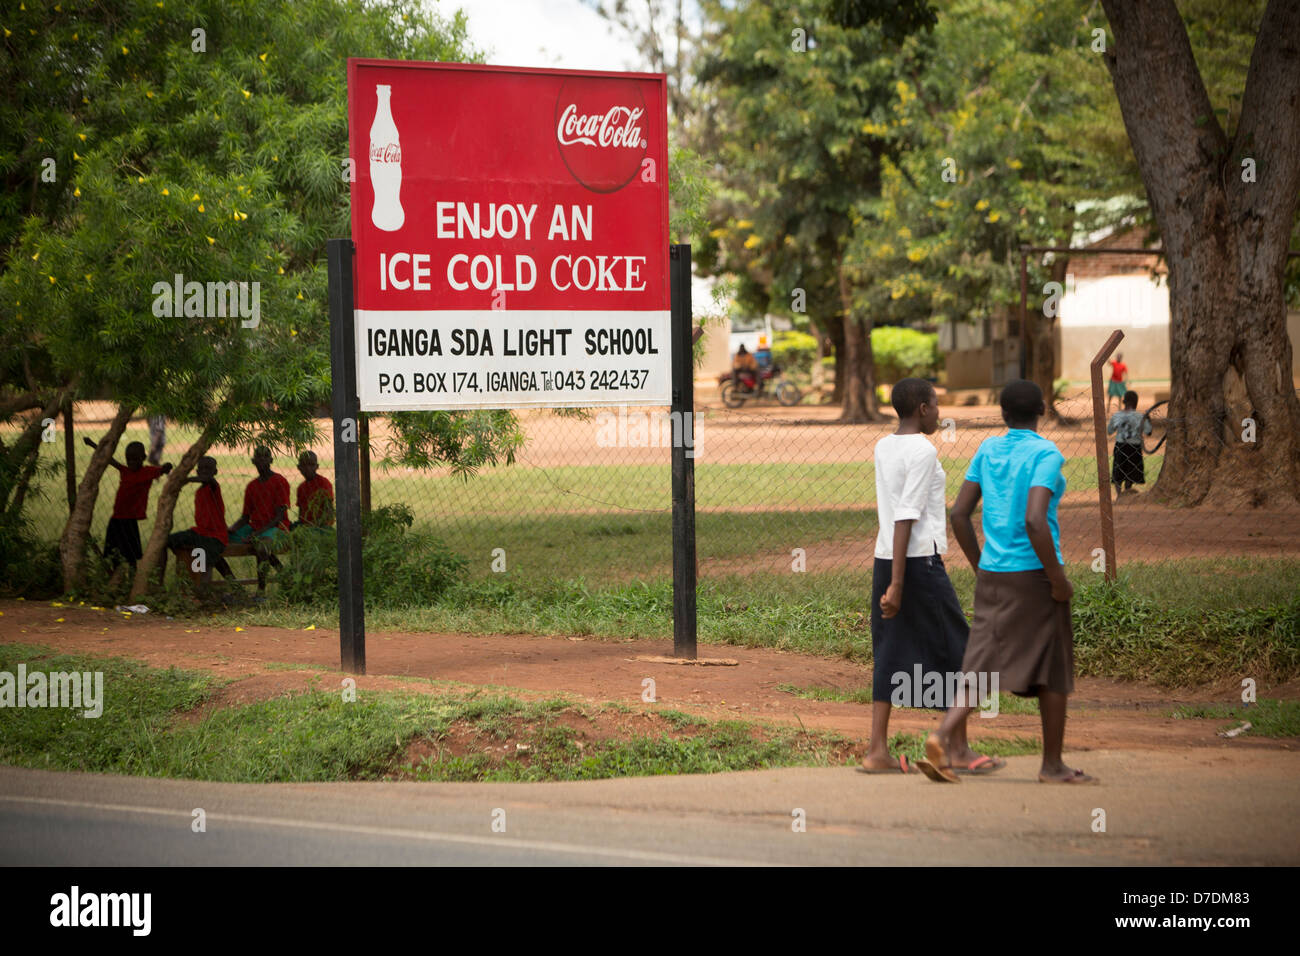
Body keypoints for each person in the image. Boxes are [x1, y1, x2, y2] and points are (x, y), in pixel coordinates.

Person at [920, 379, 1094, 784]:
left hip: (994, 573)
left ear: (1002, 414)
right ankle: (1052, 765)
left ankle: (942, 735)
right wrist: (1057, 580)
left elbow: (960, 514)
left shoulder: (988, 449)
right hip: (1033, 575)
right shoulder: (1046, 454)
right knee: (1052, 668)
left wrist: (982, 568)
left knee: (979, 664)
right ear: (1042, 411)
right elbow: (1035, 520)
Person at [861, 378, 1002, 776]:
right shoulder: (922, 449)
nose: (940, 413)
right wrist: (900, 585)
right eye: (937, 405)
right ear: (922, 408)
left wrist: (890, 578)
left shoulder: (883, 445)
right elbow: (907, 513)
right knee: (962, 647)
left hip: (885, 558)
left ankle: (877, 751)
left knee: (888, 650)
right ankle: (956, 747)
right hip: (917, 564)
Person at [83, 437, 172, 575]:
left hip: (130, 520)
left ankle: (131, 579)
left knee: (130, 555)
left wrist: (167, 467)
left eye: (135, 459)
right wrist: (93, 444)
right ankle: (115, 578)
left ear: (143, 457)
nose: (131, 463)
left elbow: (162, 469)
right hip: (117, 519)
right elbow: (108, 458)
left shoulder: (147, 472)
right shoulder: (124, 471)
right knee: (114, 552)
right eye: (128, 459)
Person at [165, 456, 234, 584]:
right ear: (197, 471)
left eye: (208, 469)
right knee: (166, 540)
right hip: (200, 532)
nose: (204, 472)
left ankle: (203, 589)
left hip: (215, 536)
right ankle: (159, 582)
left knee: (205, 557)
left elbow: (208, 479)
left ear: (215, 472)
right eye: (201, 469)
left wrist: (187, 479)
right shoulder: (199, 492)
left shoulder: (214, 487)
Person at [228, 447, 291, 570]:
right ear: (253, 461)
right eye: (259, 457)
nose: (262, 460)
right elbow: (245, 518)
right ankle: (233, 583)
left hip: (276, 528)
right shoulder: (252, 486)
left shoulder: (279, 481)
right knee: (219, 539)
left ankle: (261, 587)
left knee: (262, 546)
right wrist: (231, 529)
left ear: (271, 460)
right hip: (254, 528)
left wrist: (256, 534)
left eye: (265, 456)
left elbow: (279, 518)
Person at [1107, 390, 1151, 497]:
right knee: (1131, 472)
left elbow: (1109, 431)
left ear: (1124, 402)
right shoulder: (1140, 416)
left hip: (1120, 447)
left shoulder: (1117, 415)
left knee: (1118, 472)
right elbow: (1148, 431)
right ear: (1135, 403)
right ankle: (1127, 491)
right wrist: (1148, 419)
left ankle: (1119, 495)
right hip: (1134, 447)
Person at [293, 450, 334, 528]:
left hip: (321, 526)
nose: (308, 468)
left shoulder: (323, 483)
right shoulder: (301, 488)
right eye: (304, 465)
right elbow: (301, 514)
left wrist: (316, 526)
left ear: (317, 466)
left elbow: (329, 511)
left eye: (311, 465)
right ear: (299, 467)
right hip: (305, 526)